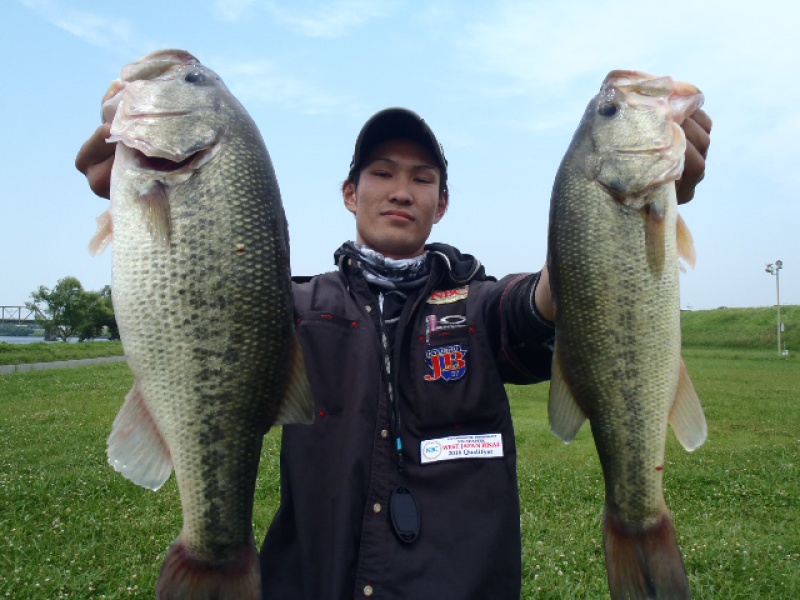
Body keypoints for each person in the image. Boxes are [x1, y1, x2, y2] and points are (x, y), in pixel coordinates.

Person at [76, 103, 711, 599]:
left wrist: (616, 214)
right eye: (381, 173)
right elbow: (207, 304)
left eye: (422, 178)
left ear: (442, 203)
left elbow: (549, 295)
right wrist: (159, 203)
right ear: (351, 194)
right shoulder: (290, 309)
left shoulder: (481, 305)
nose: (400, 190)